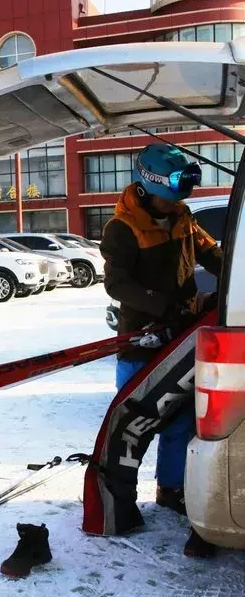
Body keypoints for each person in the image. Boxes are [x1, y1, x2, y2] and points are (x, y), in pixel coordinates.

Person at [100, 142, 222, 558]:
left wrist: (235, 269)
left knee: (181, 419)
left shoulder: (182, 216)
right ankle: (119, 502)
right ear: (151, 185)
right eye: (172, 197)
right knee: (133, 426)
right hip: (143, 339)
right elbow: (116, 284)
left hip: (183, 335)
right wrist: (164, 306)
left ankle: (171, 489)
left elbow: (210, 251)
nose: (176, 206)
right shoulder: (122, 227)